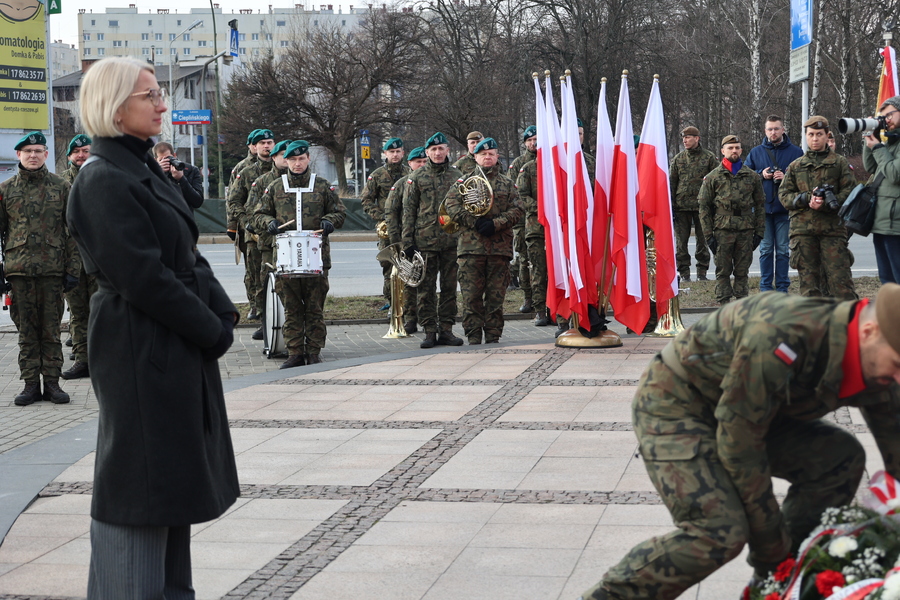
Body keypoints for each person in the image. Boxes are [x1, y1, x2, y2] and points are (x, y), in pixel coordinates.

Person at [579, 284, 900, 600]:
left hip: (749, 410)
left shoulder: (882, 361)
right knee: (718, 532)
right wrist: (771, 549)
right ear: (869, 331)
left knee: (839, 459)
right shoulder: (785, 333)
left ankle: (782, 584)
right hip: (679, 403)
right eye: (897, 365)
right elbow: (742, 446)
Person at [66, 57, 239, 598]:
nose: (162, 103)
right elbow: (144, 278)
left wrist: (223, 312)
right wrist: (209, 330)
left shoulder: (140, 167)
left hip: (170, 344)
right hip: (140, 346)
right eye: (150, 95)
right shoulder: (102, 178)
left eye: (159, 93)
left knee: (171, 486)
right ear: (115, 107)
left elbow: (185, 253)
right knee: (141, 483)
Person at [0, 131, 79, 406]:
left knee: (51, 330)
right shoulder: (6, 190)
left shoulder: (61, 187)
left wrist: (73, 269)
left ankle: (53, 384)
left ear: (46, 155)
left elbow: (72, 231)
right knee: (26, 332)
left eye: (38, 150)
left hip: (52, 271)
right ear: (19, 155)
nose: (33, 155)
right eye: (27, 151)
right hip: (18, 273)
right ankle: (31, 385)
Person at [252, 140, 346, 368]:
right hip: (285, 259)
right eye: (292, 159)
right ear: (286, 161)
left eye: (301, 159)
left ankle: (313, 352)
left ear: (308, 159)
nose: (296, 163)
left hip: (316, 258)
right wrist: (269, 222)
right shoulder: (275, 187)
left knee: (314, 307)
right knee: (291, 308)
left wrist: (329, 221)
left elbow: (339, 213)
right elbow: (258, 215)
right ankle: (295, 352)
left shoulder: (322, 186)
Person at [444, 137, 523, 344]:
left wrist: (495, 224)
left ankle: (493, 336)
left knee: (496, 298)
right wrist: (473, 221)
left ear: (497, 157)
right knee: (471, 297)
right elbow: (450, 206)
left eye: (491, 154)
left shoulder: (508, 183)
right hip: (471, 249)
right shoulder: (463, 181)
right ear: (475, 157)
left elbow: (518, 210)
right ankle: (473, 337)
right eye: (483, 154)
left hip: (499, 249)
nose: (487, 157)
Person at [778, 116, 857, 300]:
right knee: (809, 287)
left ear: (827, 135)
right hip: (803, 232)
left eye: (819, 134)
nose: (815, 138)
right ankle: (814, 327)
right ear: (806, 136)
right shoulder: (796, 166)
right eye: (811, 134)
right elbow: (784, 195)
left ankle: (850, 325)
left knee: (841, 284)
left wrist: (831, 202)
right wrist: (806, 198)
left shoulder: (839, 163)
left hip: (833, 230)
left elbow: (851, 192)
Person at [402, 132, 465, 349]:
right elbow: (408, 211)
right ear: (427, 152)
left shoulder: (458, 176)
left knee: (449, 288)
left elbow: (464, 209)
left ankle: (446, 330)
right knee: (425, 289)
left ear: (448, 150)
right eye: (433, 150)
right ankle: (429, 330)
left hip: (451, 242)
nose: (437, 153)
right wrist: (407, 241)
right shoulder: (417, 177)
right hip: (424, 241)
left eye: (441, 149)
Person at [698, 135, 765, 304]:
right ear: (722, 151)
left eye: (737, 147)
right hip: (722, 229)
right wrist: (708, 235)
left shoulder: (751, 176)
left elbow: (760, 205)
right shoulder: (712, 177)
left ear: (741, 150)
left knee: (742, 271)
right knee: (723, 270)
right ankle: (723, 304)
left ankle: (741, 304)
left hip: (745, 229)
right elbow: (704, 207)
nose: (734, 151)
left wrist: (759, 232)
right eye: (730, 148)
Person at [745, 115, 803, 292]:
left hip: (784, 209)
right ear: (765, 131)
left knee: (784, 250)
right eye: (770, 129)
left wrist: (786, 178)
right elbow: (745, 176)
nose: (773, 132)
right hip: (763, 209)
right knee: (766, 250)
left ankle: (782, 287)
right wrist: (761, 174)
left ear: (783, 130)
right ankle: (765, 288)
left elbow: (803, 180)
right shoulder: (756, 152)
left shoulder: (796, 152)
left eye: (776, 128)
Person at [228, 129, 275, 322]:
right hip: (249, 228)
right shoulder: (243, 169)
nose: (265, 146)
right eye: (261, 142)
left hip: (271, 227)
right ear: (252, 145)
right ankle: (255, 306)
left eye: (269, 142)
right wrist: (233, 226)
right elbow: (232, 199)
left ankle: (270, 308)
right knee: (253, 271)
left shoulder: (280, 166)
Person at [247, 139, 291, 342]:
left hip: (294, 243)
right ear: (274, 157)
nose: (287, 160)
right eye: (283, 155)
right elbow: (252, 211)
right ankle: (266, 323)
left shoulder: (304, 181)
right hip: (267, 242)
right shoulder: (264, 182)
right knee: (266, 284)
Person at [60, 134, 96, 381]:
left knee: (102, 311)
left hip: (99, 258)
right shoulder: (59, 183)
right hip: (71, 259)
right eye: (76, 152)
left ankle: (105, 360)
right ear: (69, 156)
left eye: (85, 150)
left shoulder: (104, 178)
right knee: (78, 313)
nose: (81, 155)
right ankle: (82, 360)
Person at [360, 137, 411, 311]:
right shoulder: (377, 175)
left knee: (409, 264)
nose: (395, 155)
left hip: (407, 226)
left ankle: (409, 303)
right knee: (388, 266)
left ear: (403, 153)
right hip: (387, 228)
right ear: (385, 154)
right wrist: (381, 217)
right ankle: (392, 302)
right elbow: (366, 200)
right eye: (391, 152)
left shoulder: (410, 173)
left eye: (398, 151)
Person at [385, 146, 428, 334]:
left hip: (431, 240)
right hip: (408, 241)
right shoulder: (402, 184)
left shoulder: (432, 181)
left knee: (427, 284)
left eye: (425, 162)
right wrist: (398, 244)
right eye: (418, 162)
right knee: (410, 282)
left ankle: (429, 319)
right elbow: (392, 214)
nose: (422, 165)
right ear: (410, 163)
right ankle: (410, 318)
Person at [668, 126, 717, 281]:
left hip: (703, 207)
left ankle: (702, 273)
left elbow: (716, 182)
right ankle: (684, 274)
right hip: (681, 207)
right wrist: (671, 205)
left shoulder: (709, 158)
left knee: (703, 242)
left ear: (697, 138)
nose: (685, 140)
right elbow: (671, 183)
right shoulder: (678, 159)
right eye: (683, 137)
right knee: (681, 243)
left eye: (688, 137)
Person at [863, 95, 900, 284]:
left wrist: (877, 147)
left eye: (889, 115)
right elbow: (871, 167)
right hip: (882, 223)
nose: (886, 120)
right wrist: (872, 139)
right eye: (882, 116)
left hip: (896, 227)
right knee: (887, 281)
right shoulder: (891, 143)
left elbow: (894, 174)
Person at [516, 158, 550, 326]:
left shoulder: (562, 164)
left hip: (559, 228)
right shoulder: (528, 169)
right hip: (536, 228)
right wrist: (543, 209)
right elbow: (521, 196)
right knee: (539, 270)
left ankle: (557, 311)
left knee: (557, 272)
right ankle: (540, 310)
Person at [508, 126, 536, 313]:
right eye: (529, 140)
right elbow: (514, 193)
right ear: (525, 143)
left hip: (546, 222)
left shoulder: (550, 159)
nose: (533, 143)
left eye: (536, 139)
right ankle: (528, 298)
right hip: (524, 222)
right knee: (525, 261)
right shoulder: (519, 163)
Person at [152, 141, 203, 210]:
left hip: (184, 218)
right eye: (162, 160)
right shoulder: (151, 173)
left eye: (168, 158)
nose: (167, 162)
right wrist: (158, 173)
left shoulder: (191, 170)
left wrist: (181, 179)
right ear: (156, 160)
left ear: (174, 156)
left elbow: (197, 202)